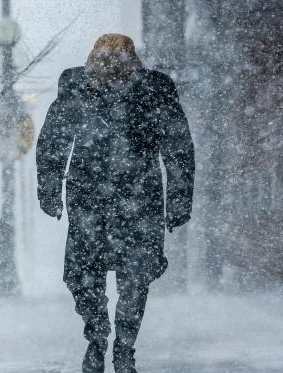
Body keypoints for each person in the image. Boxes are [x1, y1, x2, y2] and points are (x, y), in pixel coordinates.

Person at [36, 33, 195, 373]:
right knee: (82, 276)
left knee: (134, 278)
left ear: (131, 63)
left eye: (116, 62)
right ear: (93, 60)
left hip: (138, 199)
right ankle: (98, 339)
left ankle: (123, 348)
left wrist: (179, 199)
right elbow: (53, 141)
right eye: (103, 61)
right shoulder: (76, 89)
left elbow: (178, 147)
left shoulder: (154, 91)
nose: (109, 70)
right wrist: (49, 190)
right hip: (90, 200)